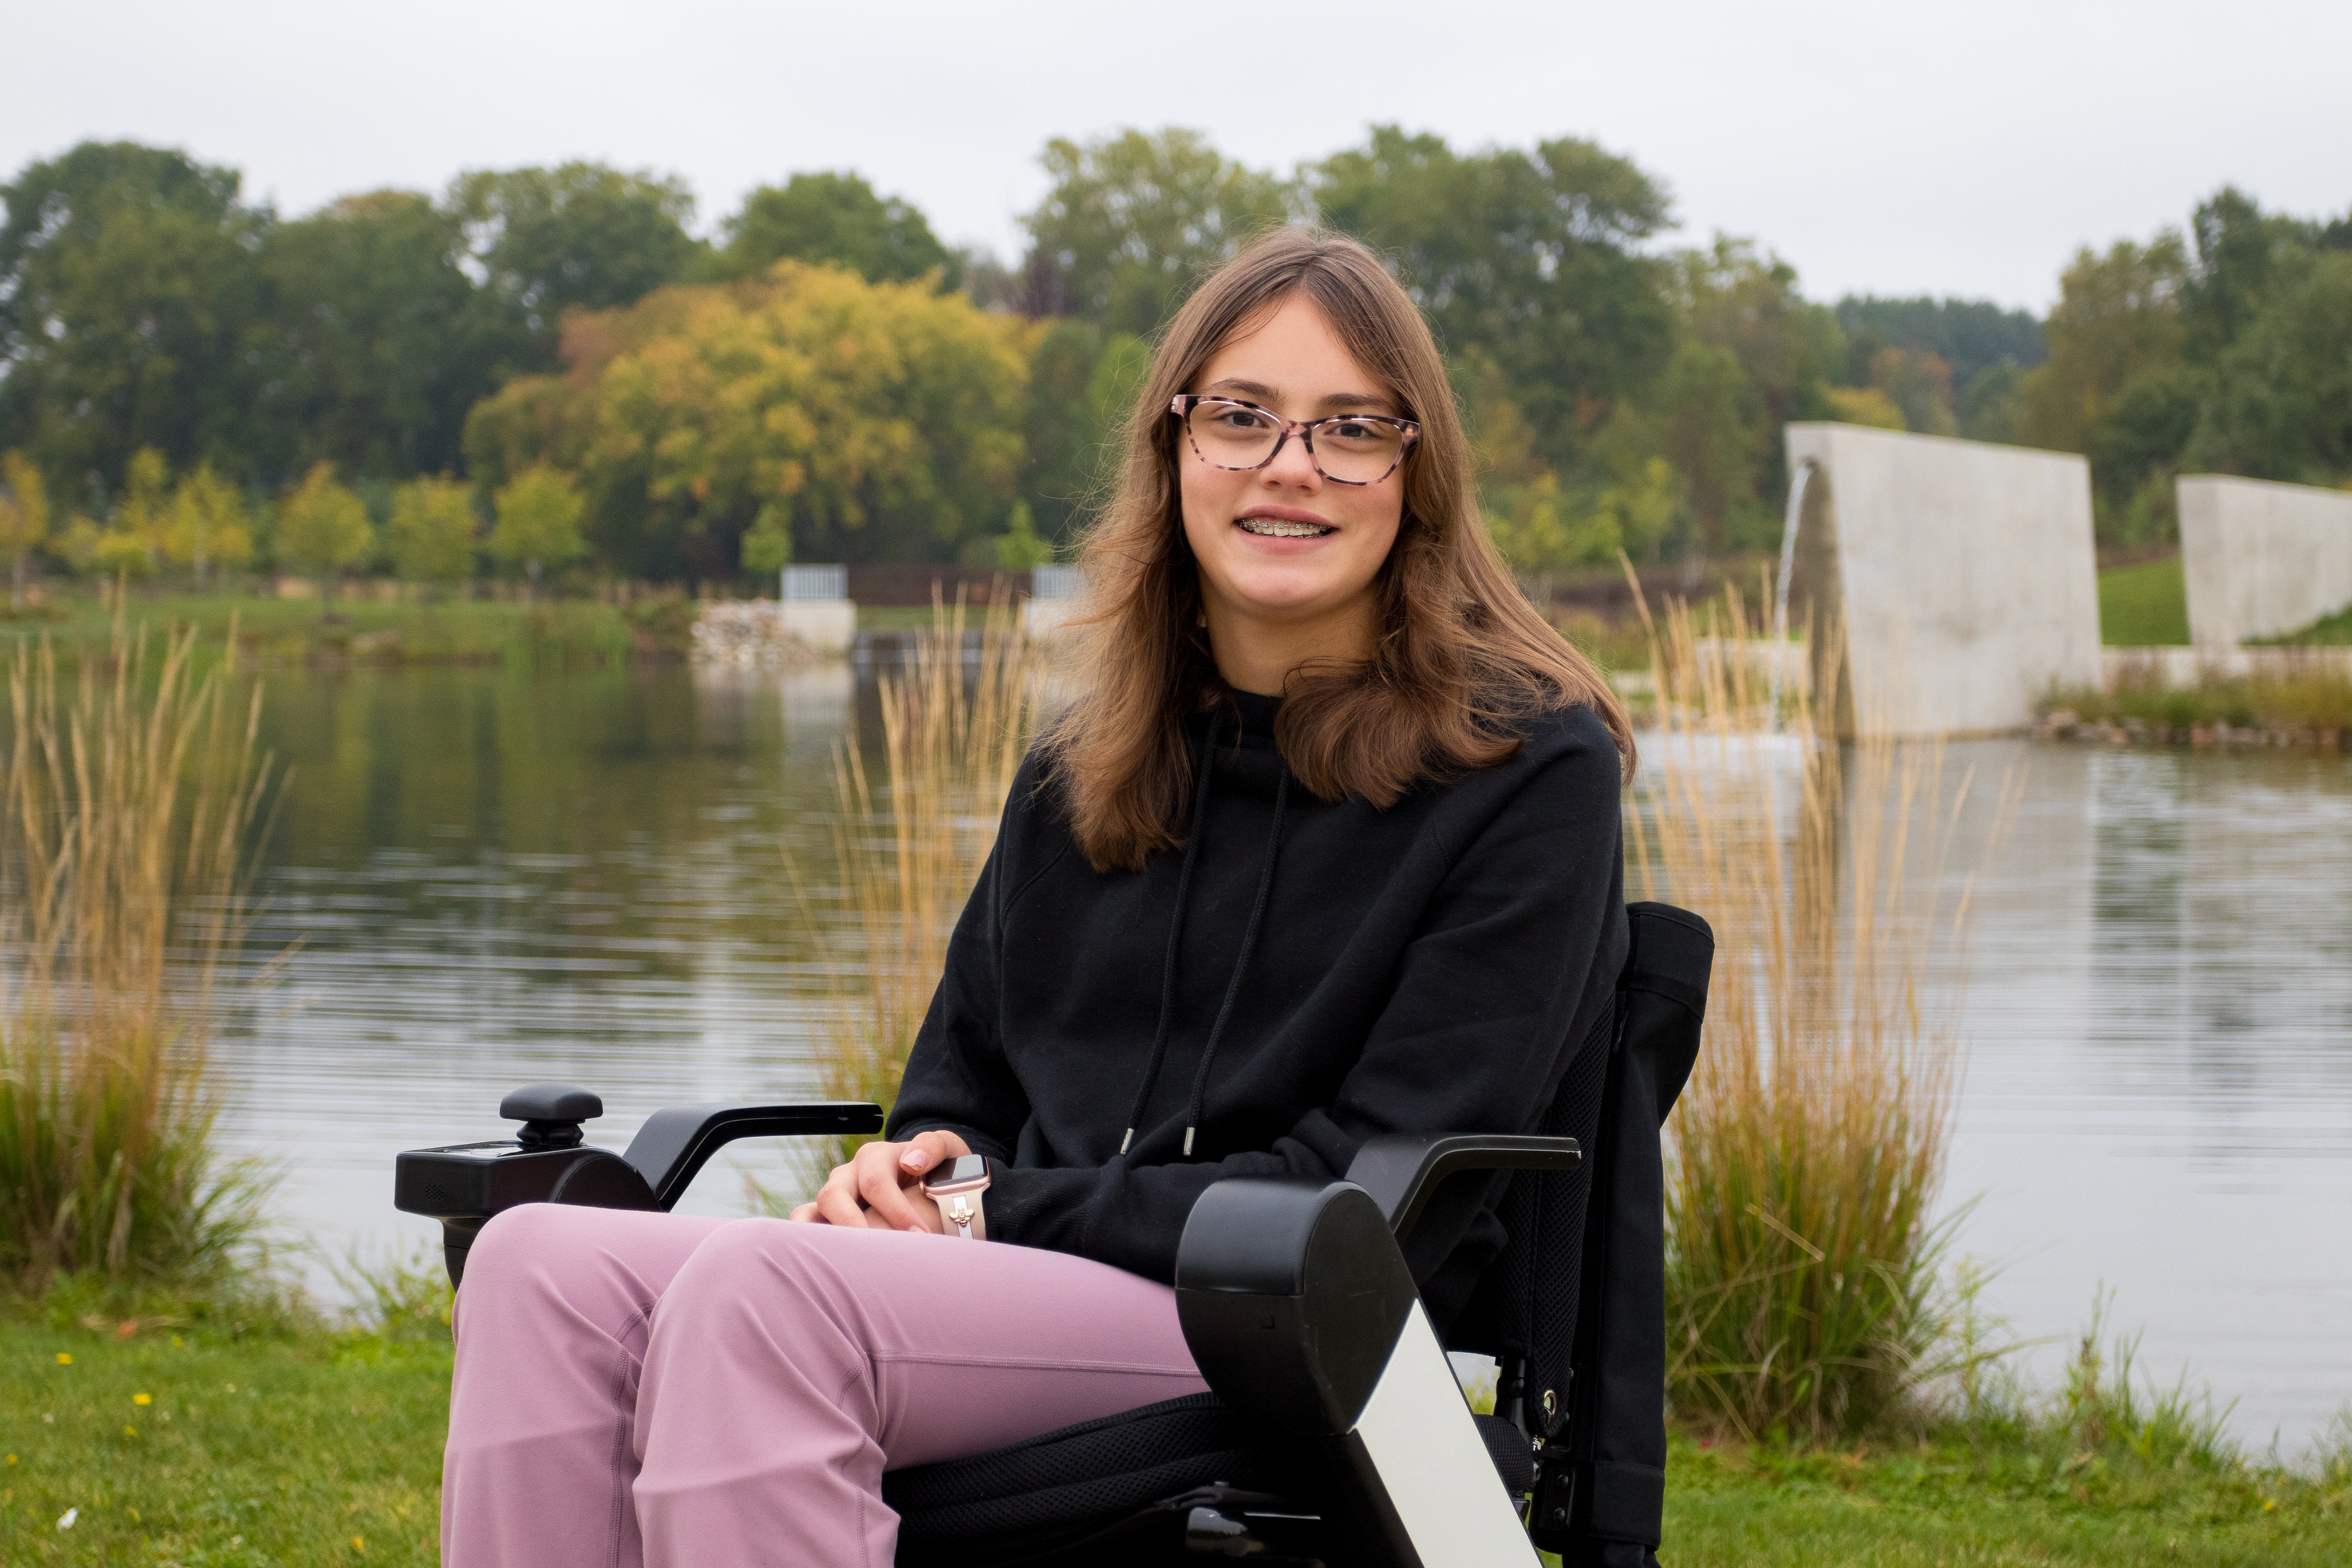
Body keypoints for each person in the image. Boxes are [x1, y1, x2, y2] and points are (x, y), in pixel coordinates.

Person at [440, 226, 1635, 1568]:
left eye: (1352, 427)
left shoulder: (1525, 764)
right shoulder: (1091, 762)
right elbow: (964, 1085)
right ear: (1175, 444)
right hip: (1026, 1288)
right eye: (1242, 416)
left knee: (765, 1293)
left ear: (1416, 471)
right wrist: (920, 1176)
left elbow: (1357, 1192)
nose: (1291, 466)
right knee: (540, 1267)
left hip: (1294, 1316)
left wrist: (993, 1211)